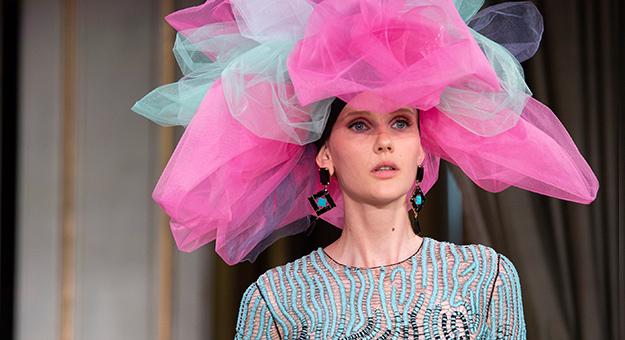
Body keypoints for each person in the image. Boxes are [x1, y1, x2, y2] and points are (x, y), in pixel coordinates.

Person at [132, 0, 598, 338]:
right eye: (359, 124)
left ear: (421, 149)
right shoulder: (276, 299)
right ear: (325, 153)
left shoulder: (486, 278)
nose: (384, 140)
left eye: (401, 122)